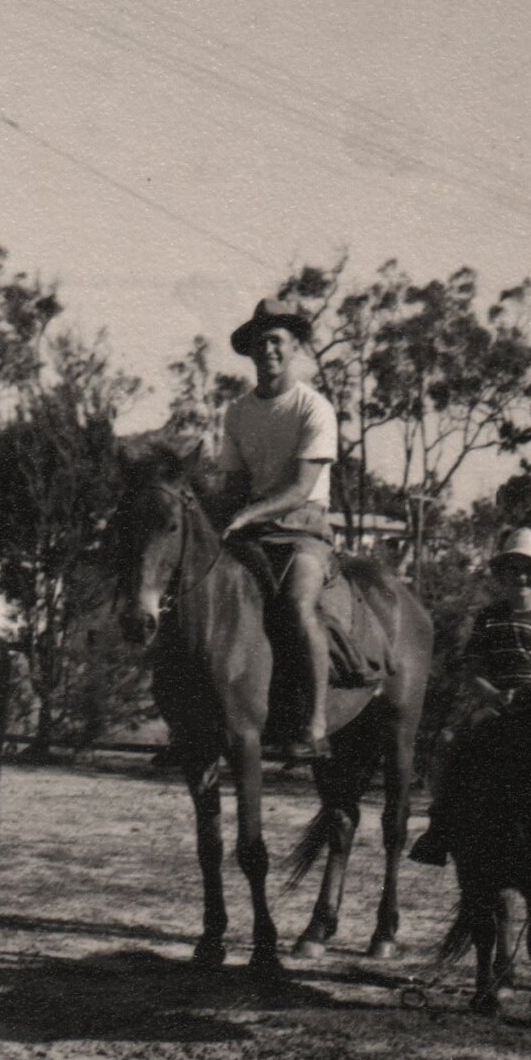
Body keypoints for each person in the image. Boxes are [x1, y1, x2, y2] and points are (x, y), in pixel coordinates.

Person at [409, 526, 531, 881]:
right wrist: (494, 694)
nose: (522, 577)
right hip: (495, 705)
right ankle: (439, 827)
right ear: (502, 574)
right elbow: (472, 671)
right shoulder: (489, 618)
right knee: (448, 744)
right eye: (514, 568)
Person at [215, 297, 339, 762]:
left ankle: (315, 722)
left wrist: (246, 515)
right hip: (252, 532)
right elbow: (234, 484)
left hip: (303, 529)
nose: (267, 350)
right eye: (259, 342)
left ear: (293, 348)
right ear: (248, 351)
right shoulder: (239, 412)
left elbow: (301, 487)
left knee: (297, 603)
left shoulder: (314, 408)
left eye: (277, 341)